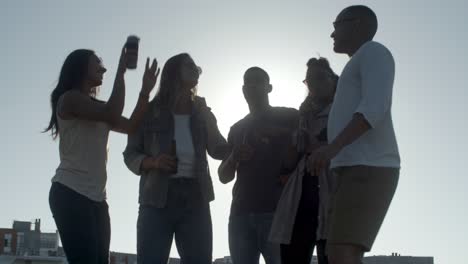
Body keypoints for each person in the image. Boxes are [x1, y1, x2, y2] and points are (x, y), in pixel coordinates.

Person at [45, 44, 159, 264]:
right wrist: (121, 71)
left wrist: (145, 91)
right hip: (70, 192)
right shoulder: (69, 99)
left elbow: (131, 126)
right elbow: (112, 112)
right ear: (80, 66)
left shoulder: (97, 108)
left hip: (98, 198)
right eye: (98, 63)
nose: (104, 69)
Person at [309, 5, 400, 264]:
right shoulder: (357, 62)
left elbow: (374, 107)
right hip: (353, 170)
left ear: (357, 24)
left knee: (341, 253)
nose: (332, 34)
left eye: (337, 25)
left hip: (368, 167)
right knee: (340, 253)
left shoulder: (373, 52)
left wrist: (331, 148)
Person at [123, 53, 229, 264]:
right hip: (156, 199)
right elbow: (130, 154)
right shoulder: (150, 111)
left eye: (196, 66)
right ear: (173, 72)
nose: (196, 70)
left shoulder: (201, 110)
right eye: (189, 65)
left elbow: (219, 149)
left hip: (196, 198)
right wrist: (154, 162)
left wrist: (210, 119)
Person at [218, 67, 298, 264]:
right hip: (240, 215)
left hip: (278, 214)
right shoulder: (236, 129)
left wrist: (280, 134)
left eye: (257, 82)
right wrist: (234, 157)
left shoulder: (290, 117)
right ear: (243, 90)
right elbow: (223, 176)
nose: (251, 86)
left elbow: (307, 150)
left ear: (269, 87)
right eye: (247, 83)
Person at [269, 58, 338, 264]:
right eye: (309, 80)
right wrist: (296, 134)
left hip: (334, 195)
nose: (314, 84)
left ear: (334, 80)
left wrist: (314, 144)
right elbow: (290, 162)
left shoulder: (345, 110)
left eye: (320, 77)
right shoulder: (302, 116)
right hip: (299, 200)